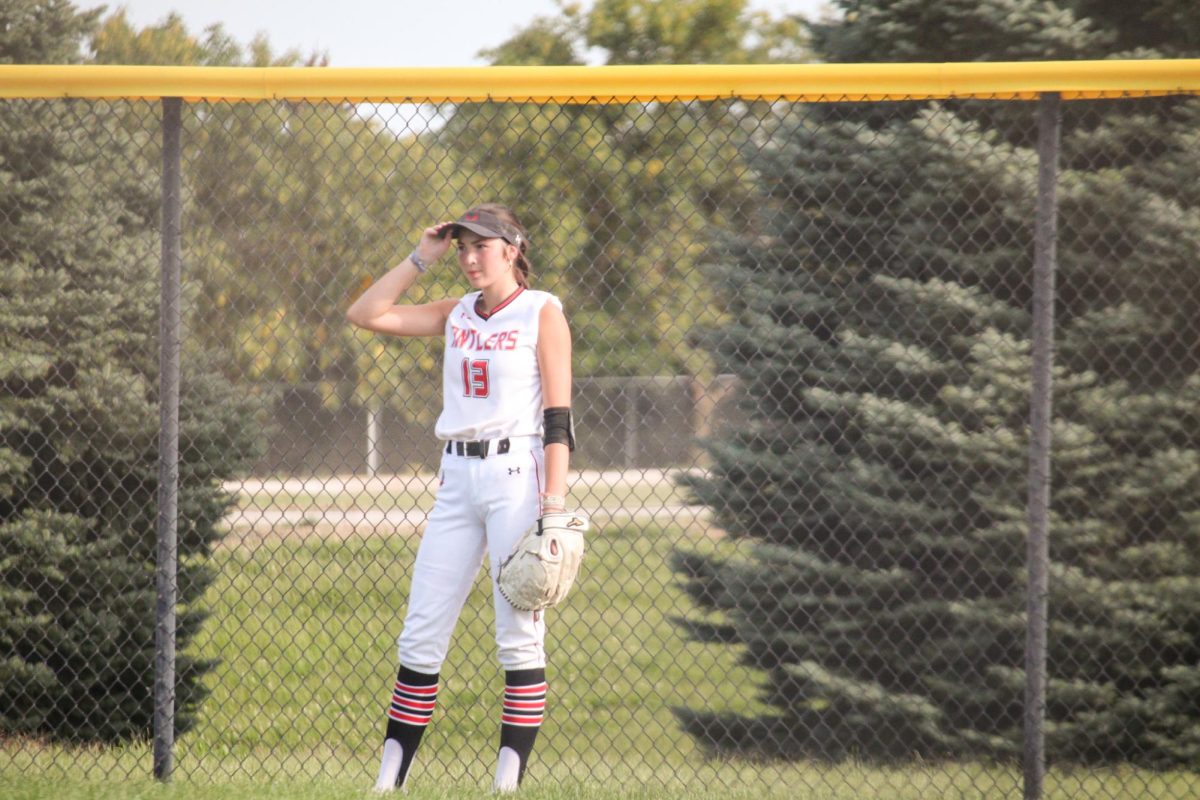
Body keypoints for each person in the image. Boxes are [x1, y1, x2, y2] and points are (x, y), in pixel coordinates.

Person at [345, 203, 575, 793]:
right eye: (463, 246)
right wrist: (423, 255)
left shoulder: (541, 311)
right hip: (456, 477)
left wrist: (553, 507)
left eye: (482, 246)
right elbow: (366, 313)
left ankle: (506, 787)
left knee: (517, 633)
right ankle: (387, 784)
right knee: (421, 631)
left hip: (516, 478)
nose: (470, 258)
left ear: (512, 249)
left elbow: (558, 420)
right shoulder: (456, 314)